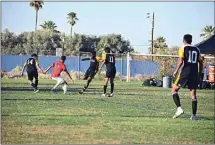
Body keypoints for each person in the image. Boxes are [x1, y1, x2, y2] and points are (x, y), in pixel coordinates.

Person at [172, 34, 203, 120]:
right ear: (191, 41)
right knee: (193, 94)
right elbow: (201, 63)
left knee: (174, 89)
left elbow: (181, 61)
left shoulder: (183, 47)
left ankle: (179, 109)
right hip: (194, 74)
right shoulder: (197, 49)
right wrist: (199, 74)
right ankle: (194, 115)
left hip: (185, 73)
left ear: (184, 40)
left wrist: (176, 70)